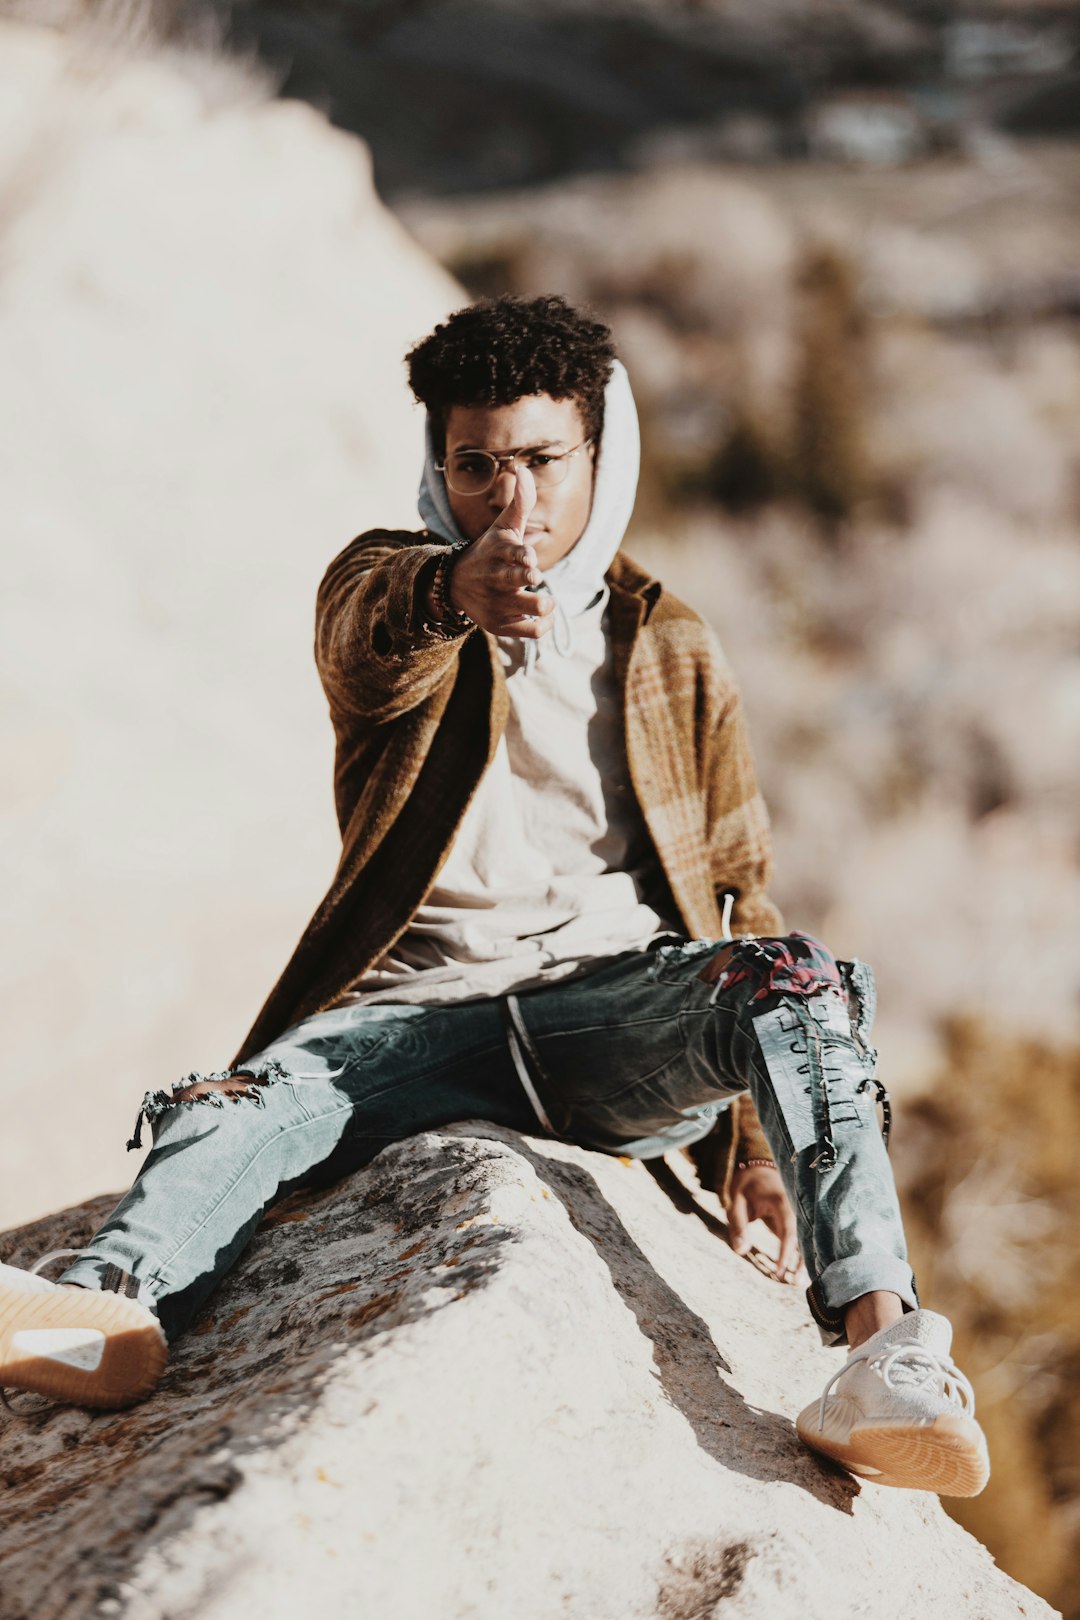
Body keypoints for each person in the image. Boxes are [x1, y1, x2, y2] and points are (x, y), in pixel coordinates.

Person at [0, 295, 988, 1497]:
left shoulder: (670, 644)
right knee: (241, 1101)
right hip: (413, 1020)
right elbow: (369, 632)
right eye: (475, 466)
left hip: (612, 1023)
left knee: (797, 977)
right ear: (440, 466)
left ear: (600, 455)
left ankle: (883, 1355)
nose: (508, 501)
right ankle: (101, 1307)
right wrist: (455, 591)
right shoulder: (386, 586)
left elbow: (741, 890)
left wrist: (757, 1157)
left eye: (537, 462)